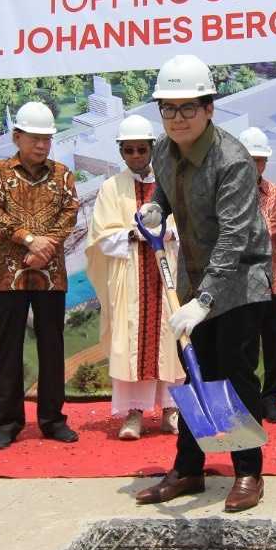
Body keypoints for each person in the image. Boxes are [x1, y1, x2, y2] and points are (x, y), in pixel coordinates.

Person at [132, 54, 272, 513]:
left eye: (187, 107)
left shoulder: (232, 161)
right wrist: (156, 210)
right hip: (193, 280)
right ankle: (189, 468)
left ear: (209, 108)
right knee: (194, 375)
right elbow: (166, 196)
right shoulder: (161, 150)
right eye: (168, 109)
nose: (177, 118)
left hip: (241, 283)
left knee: (234, 374)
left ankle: (248, 470)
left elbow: (234, 238)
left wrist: (206, 300)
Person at [0, 101, 81, 449]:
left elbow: (70, 213)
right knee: (8, 346)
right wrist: (29, 240)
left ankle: (53, 420)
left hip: (50, 274)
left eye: (47, 139)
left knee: (52, 346)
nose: (41, 145)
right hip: (9, 275)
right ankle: (6, 422)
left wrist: (47, 245)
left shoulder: (63, 174)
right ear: (17, 136)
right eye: (35, 138)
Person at [85, 114, 183, 440]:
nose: (137, 156)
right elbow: (101, 235)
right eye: (129, 150)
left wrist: (167, 232)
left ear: (153, 148)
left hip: (166, 272)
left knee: (171, 338)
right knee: (131, 342)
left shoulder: (171, 183)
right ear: (121, 152)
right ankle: (134, 414)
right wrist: (134, 234)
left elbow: (188, 224)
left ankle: (172, 410)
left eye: (142, 149)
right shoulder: (111, 188)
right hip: (130, 278)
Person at [238, 127, 276, 424]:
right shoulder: (228, 195)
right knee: (244, 345)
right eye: (250, 159)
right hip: (239, 285)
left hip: (273, 280)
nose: (256, 165)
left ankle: (271, 398)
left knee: (274, 343)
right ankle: (247, 398)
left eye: (260, 160)